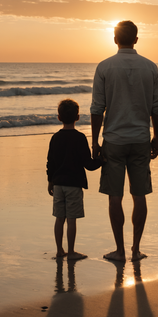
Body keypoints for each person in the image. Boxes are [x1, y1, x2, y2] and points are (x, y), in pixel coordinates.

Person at [91, 20, 158, 262]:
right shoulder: (150, 67)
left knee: (115, 195)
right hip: (141, 138)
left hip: (114, 138)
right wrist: (157, 137)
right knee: (139, 194)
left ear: (114, 39)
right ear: (136, 39)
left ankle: (120, 250)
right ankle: (135, 249)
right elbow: (156, 108)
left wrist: (94, 142)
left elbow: (97, 109)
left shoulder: (104, 67)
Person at [47, 99, 101, 260]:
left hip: (58, 184)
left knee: (59, 218)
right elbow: (88, 164)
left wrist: (50, 180)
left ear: (59, 117)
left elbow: (50, 162)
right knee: (71, 220)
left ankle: (59, 250)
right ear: (77, 117)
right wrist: (102, 159)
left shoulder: (55, 138)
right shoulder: (80, 138)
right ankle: (71, 252)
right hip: (74, 185)